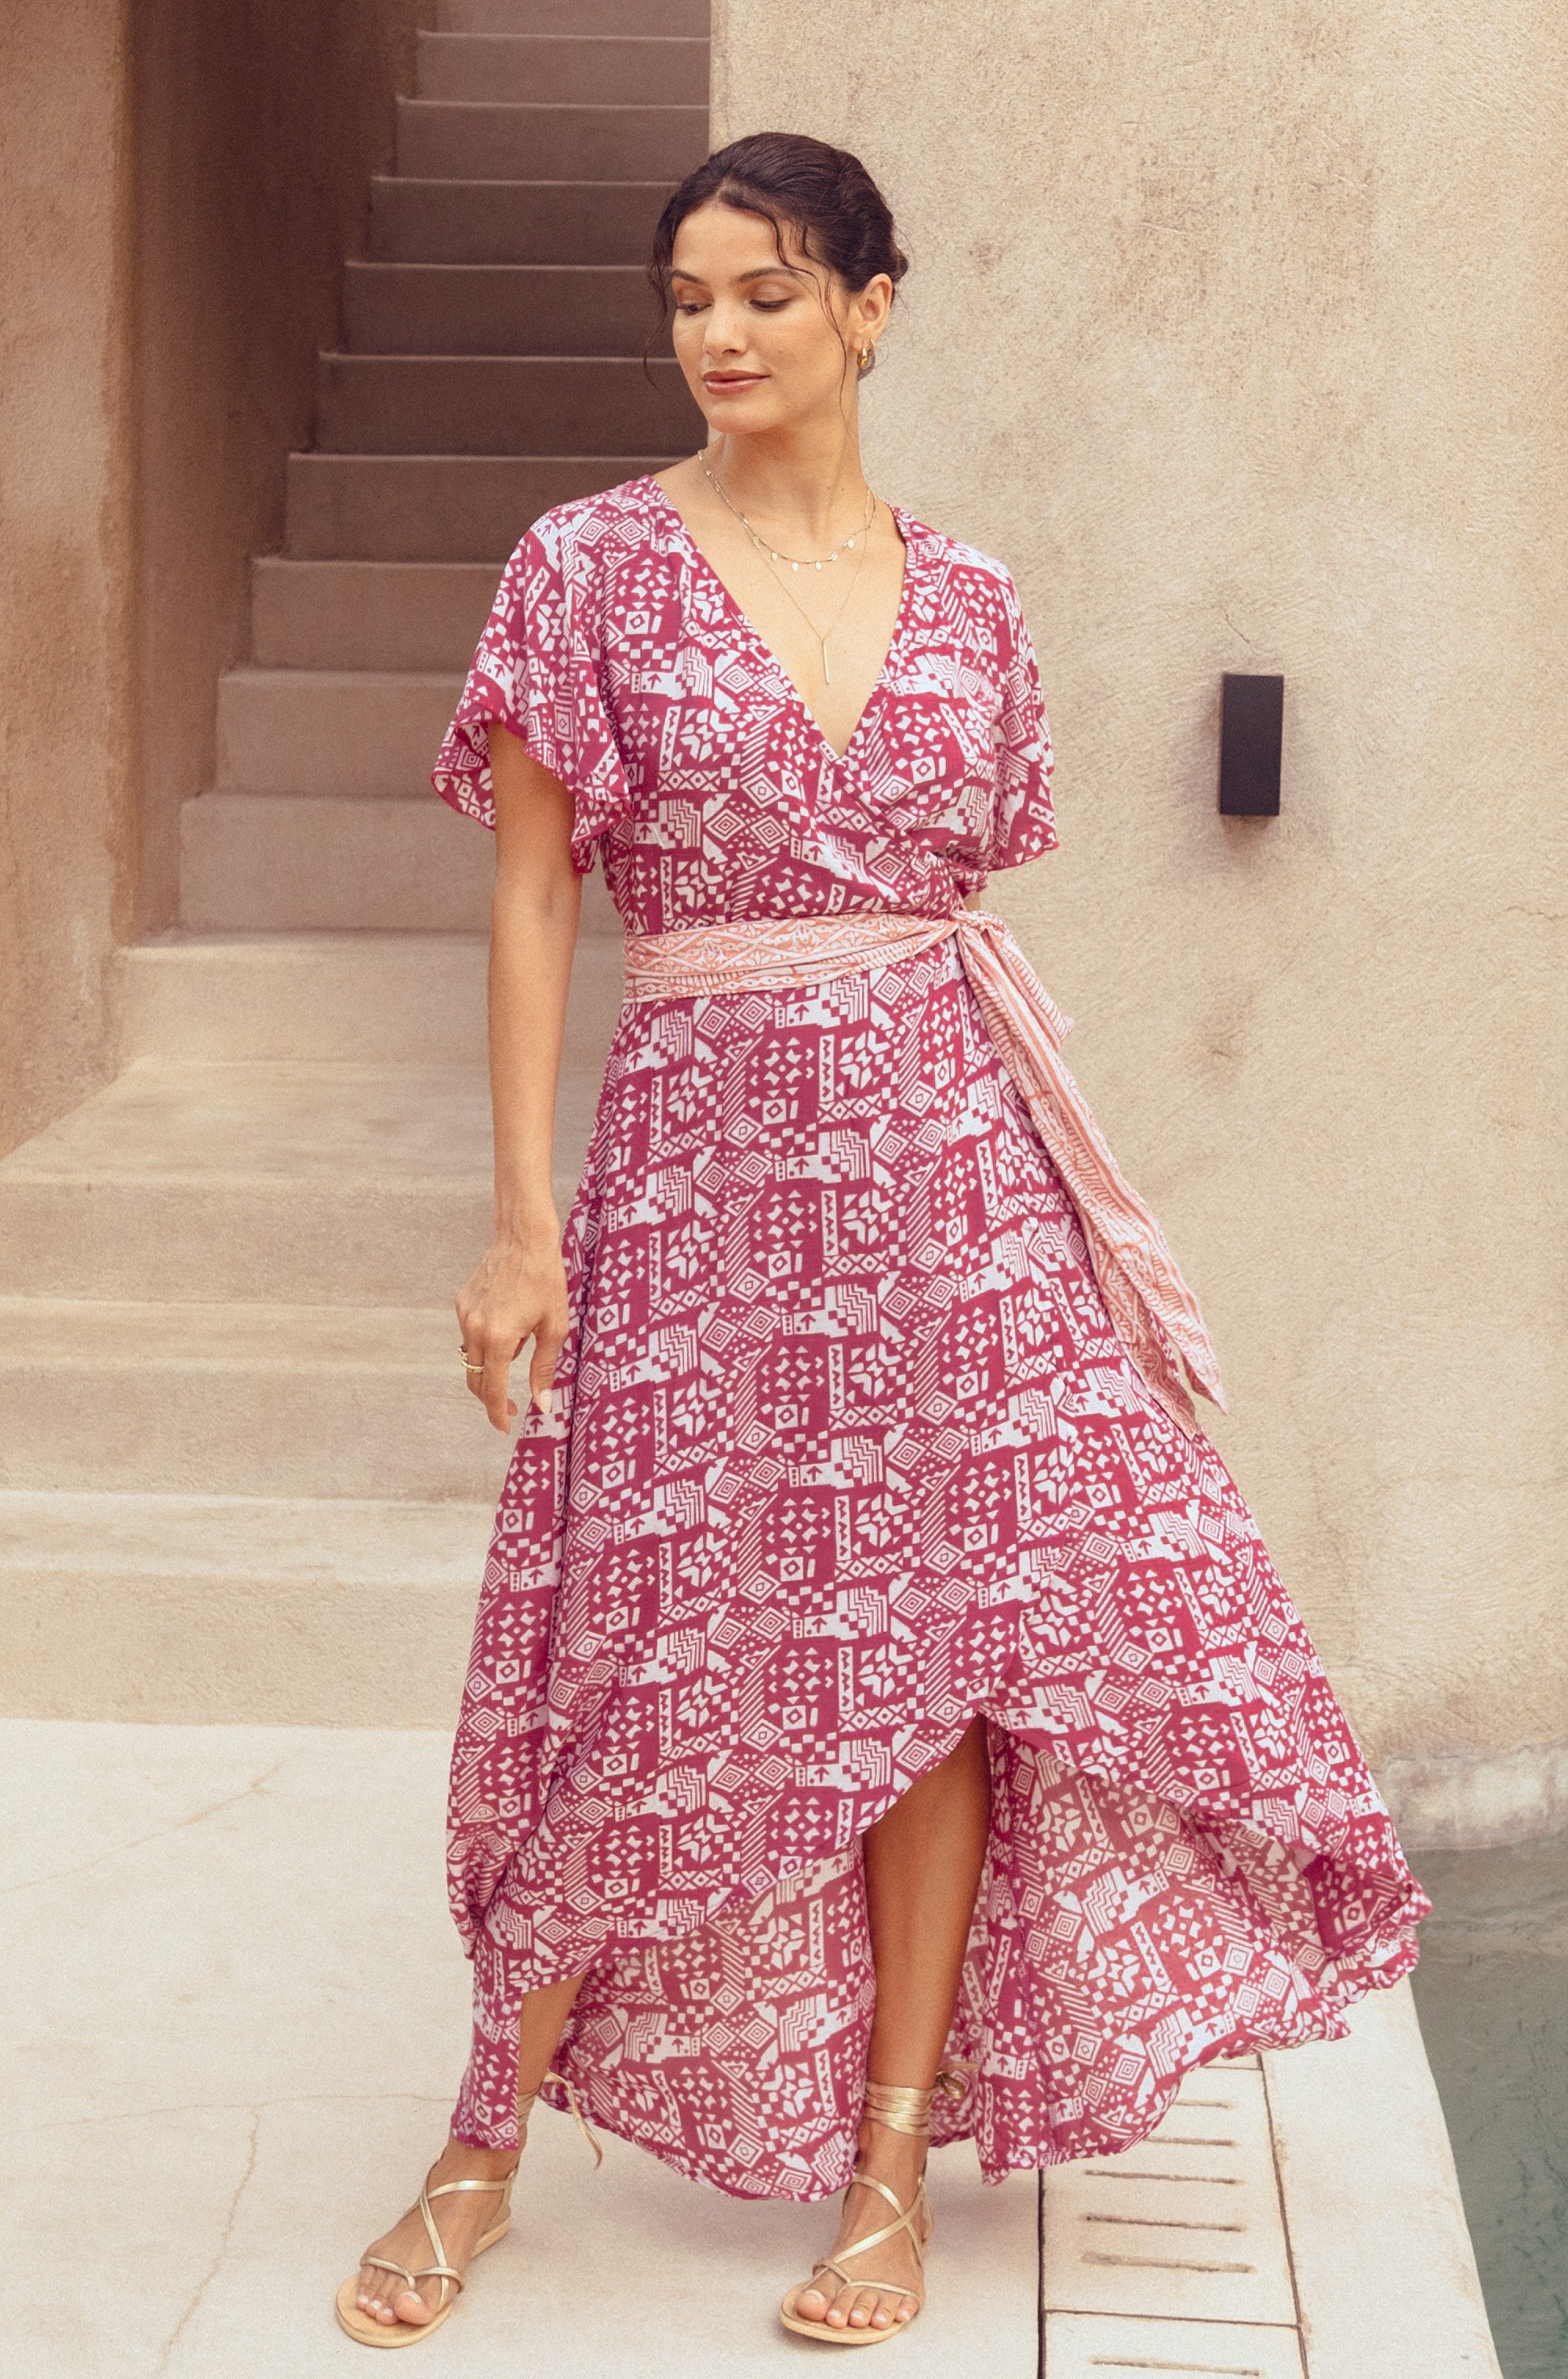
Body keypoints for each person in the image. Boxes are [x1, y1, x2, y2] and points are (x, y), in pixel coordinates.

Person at [337, 131, 1427, 2350]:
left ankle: (892, 2163)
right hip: (697, 1162)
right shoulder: (585, 571)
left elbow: (963, 887)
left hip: (948, 1168)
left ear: (870, 308)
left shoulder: (980, 599)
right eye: (688, 299)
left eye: (764, 292)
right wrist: (520, 1220)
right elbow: (540, 890)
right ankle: (485, 2137)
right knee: (627, 1643)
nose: (719, 335)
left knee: (951, 1660)